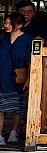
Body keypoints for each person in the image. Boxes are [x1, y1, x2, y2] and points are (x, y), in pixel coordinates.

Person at [0, 12, 32, 145]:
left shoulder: (27, 40)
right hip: (3, 74)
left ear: (19, 25)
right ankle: (0, 134)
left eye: (10, 23)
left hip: (19, 76)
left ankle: (14, 132)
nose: (6, 25)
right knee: (1, 106)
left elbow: (31, 61)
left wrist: (29, 78)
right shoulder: (2, 38)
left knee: (18, 105)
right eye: (5, 23)